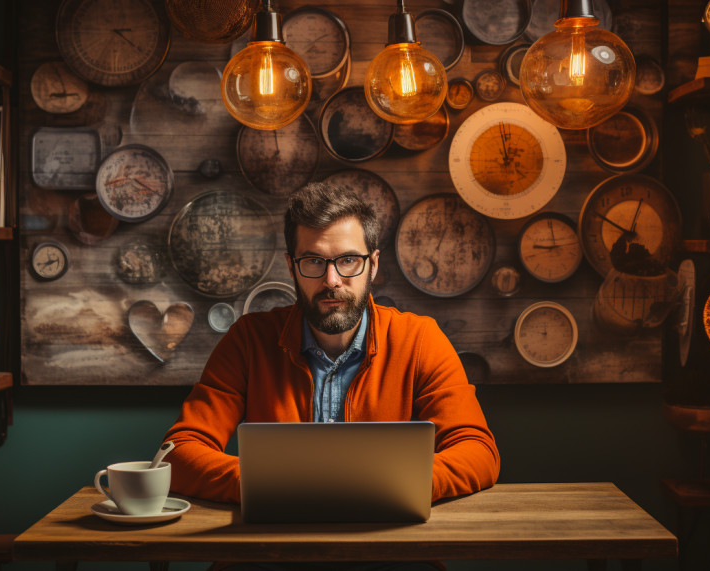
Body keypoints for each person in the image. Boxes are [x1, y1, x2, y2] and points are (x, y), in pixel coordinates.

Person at [162, 182, 500, 570]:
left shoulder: (420, 340)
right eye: (314, 262)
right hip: (265, 560)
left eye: (348, 261)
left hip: (391, 560)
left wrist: (398, 485)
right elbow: (179, 452)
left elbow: (478, 451)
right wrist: (268, 485)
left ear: (373, 264)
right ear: (292, 266)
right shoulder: (248, 340)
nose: (332, 280)